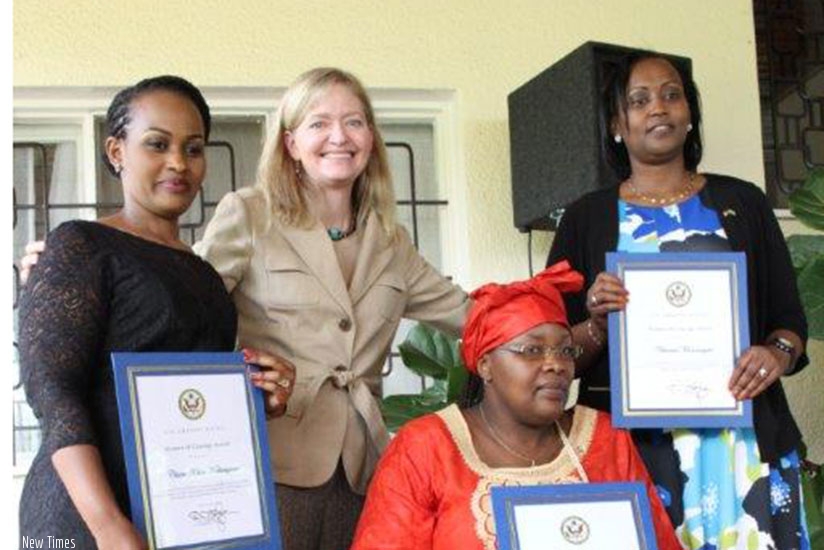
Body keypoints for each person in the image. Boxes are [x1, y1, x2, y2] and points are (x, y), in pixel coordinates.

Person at [190, 67, 469, 550]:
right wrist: (89, 266)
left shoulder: (390, 240)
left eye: (354, 122)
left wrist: (571, 320)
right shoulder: (250, 213)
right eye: (319, 123)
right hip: (269, 464)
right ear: (291, 143)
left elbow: (470, 312)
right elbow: (180, 304)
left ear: (371, 139)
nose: (339, 136)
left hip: (362, 473)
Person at [17, 76, 294, 550]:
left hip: (180, 515)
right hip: (89, 516)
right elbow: (53, 391)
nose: (177, 163)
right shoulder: (81, 245)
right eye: (157, 144)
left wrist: (257, 400)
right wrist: (108, 527)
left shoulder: (205, 274)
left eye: (193, 148)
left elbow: (183, 403)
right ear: (117, 151)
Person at [547, 52, 811, 549]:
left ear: (690, 114)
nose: (658, 109)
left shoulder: (745, 203)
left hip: (743, 444)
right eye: (639, 100)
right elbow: (557, 355)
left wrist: (775, 353)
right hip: (632, 450)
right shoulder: (584, 220)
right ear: (617, 124)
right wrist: (597, 323)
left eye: (672, 95)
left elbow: (787, 320)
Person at [350, 261, 680, 550]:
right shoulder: (425, 448)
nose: (556, 365)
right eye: (532, 351)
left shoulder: (605, 439)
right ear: (485, 365)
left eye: (565, 351)